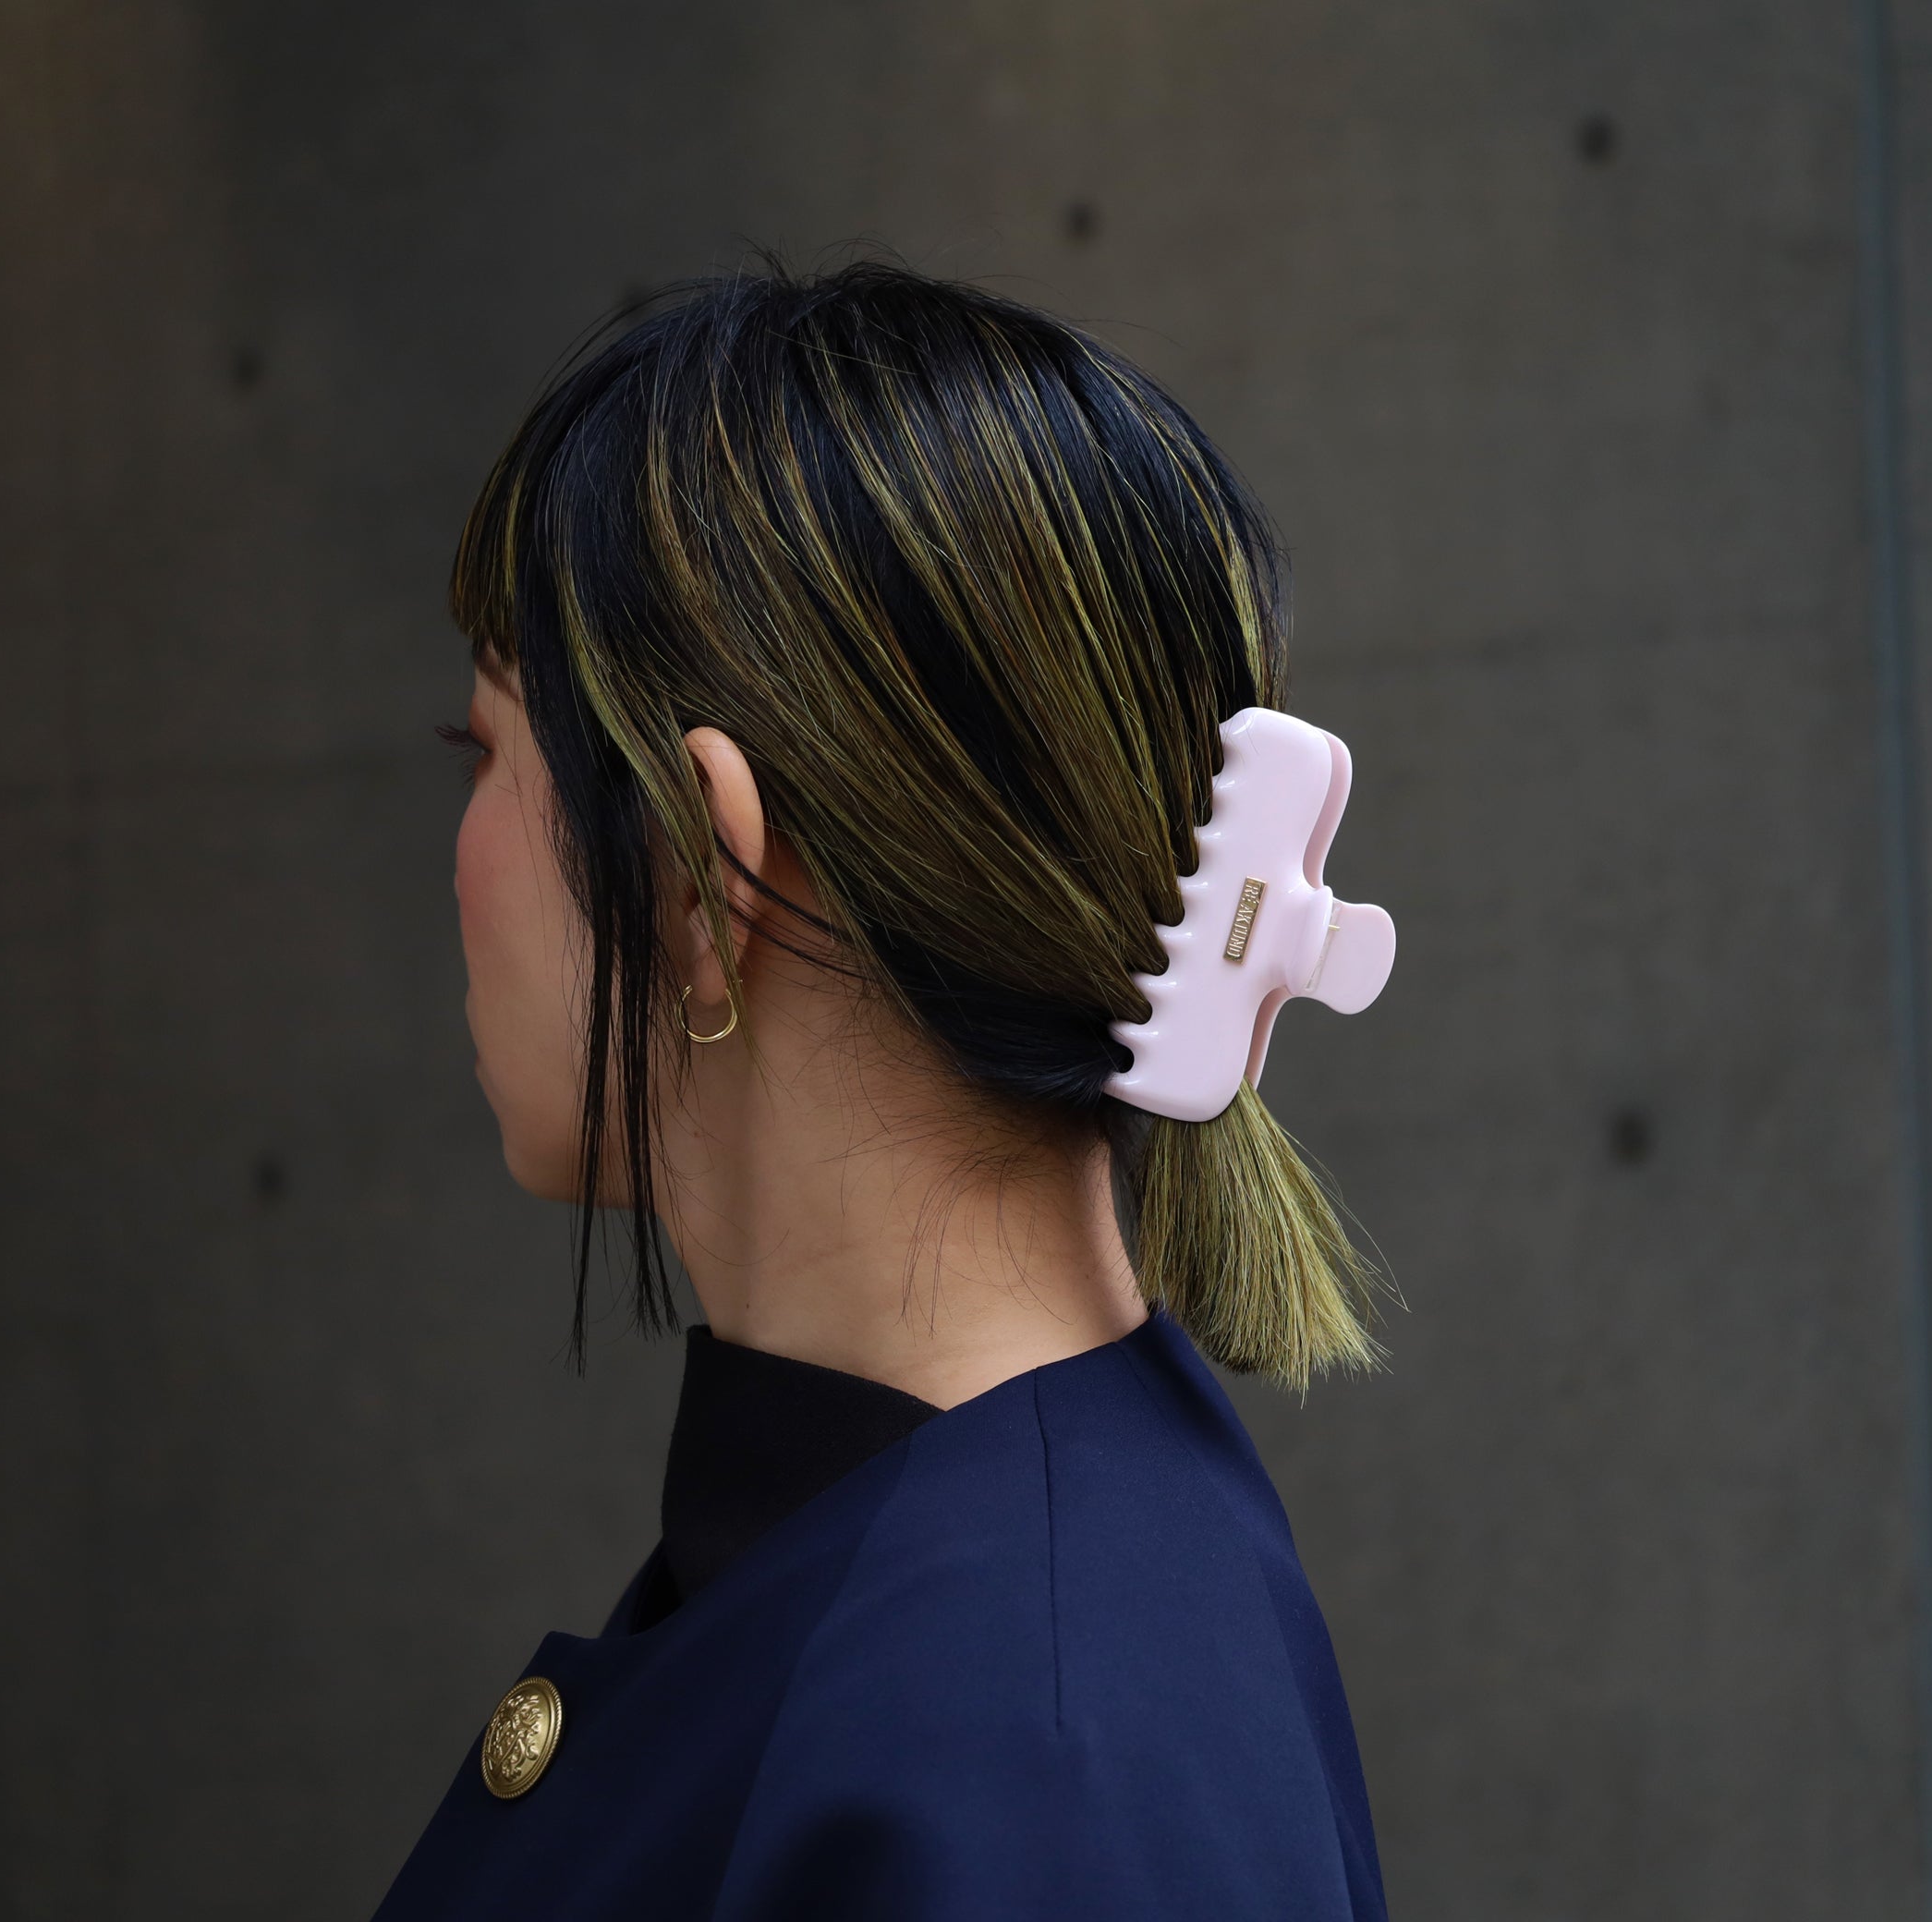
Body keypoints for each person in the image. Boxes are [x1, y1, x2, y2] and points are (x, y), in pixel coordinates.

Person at [374, 261, 1396, 1919]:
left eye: (486, 750)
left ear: (692, 879)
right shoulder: (997, 1607)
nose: (456, 853)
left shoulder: (1029, 1762)